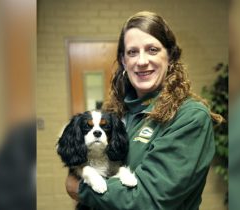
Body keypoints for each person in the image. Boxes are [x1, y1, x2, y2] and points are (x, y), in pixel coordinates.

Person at [66, 11, 223, 210]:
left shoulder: (190, 117)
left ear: (171, 56)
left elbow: (148, 200)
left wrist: (79, 188)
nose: (141, 61)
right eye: (132, 52)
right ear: (123, 61)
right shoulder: (116, 112)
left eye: (152, 50)